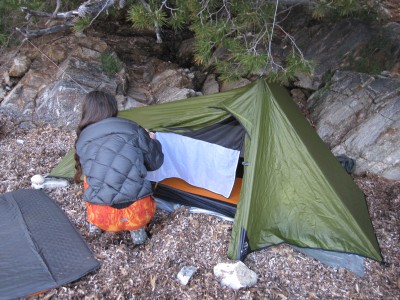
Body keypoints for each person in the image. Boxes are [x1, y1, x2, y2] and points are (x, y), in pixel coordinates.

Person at [74, 90, 164, 244]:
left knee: (91, 174)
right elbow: (154, 164)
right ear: (113, 108)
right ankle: (138, 232)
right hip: (140, 213)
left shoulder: (82, 140)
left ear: (86, 111)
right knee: (132, 167)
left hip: (101, 217)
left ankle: (94, 226)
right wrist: (152, 141)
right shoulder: (134, 129)